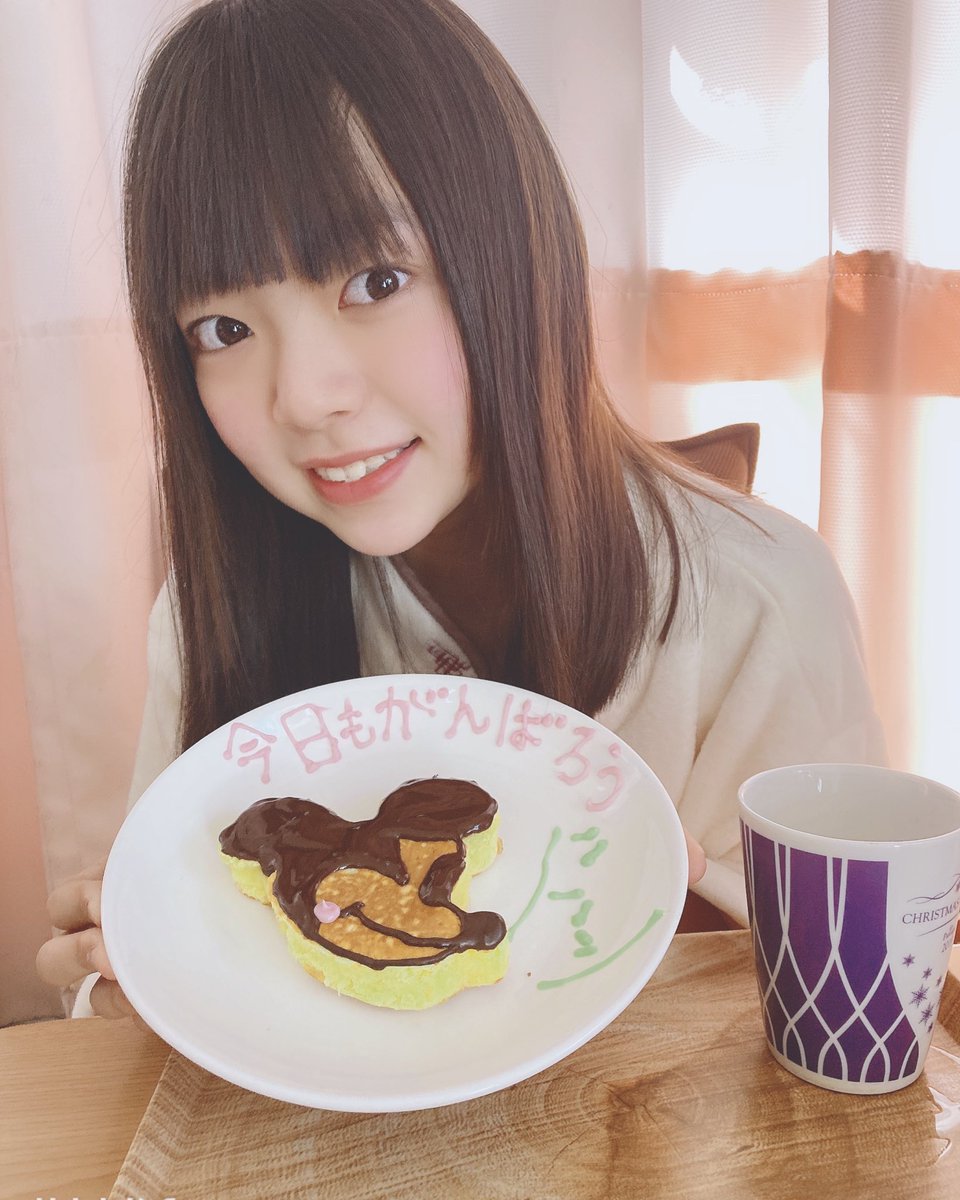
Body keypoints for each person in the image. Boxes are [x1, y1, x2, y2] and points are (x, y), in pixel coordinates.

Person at [36, 0, 884, 1021]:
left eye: (376, 280)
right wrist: (124, 990)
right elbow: (192, 965)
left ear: (520, 251)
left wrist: (680, 920)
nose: (304, 397)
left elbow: (844, 1009)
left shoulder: (762, 608)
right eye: (223, 328)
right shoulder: (211, 616)